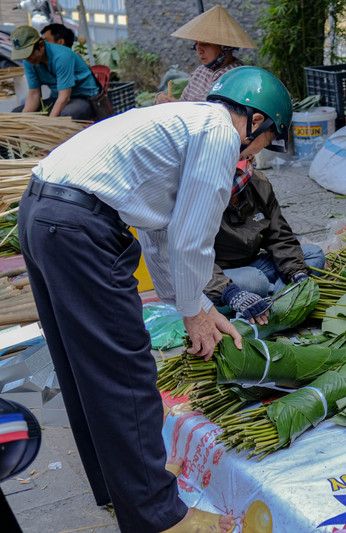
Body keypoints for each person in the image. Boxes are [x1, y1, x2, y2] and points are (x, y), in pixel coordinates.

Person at [18, 66, 292, 532]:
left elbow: (162, 236)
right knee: (126, 373)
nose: (258, 153)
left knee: (85, 368)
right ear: (257, 121)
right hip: (81, 228)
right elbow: (191, 239)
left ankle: (120, 485)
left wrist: (195, 307)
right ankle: (160, 518)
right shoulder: (220, 135)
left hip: (42, 212)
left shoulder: (184, 122)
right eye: (268, 140)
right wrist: (193, 311)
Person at [205, 160, 326, 319]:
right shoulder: (202, 197)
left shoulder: (259, 184)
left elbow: (280, 236)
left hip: (253, 264)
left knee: (313, 254)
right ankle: (274, 298)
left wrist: (296, 272)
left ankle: (277, 299)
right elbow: (191, 261)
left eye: (239, 172)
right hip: (214, 276)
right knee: (254, 281)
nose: (236, 177)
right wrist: (230, 293)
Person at [154, 5, 255, 104]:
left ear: (225, 47)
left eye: (205, 44)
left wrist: (177, 105)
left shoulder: (237, 76)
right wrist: (163, 98)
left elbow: (215, 113)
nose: (199, 50)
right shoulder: (200, 72)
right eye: (196, 44)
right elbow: (182, 102)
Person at [10, 25, 97, 119]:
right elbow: (34, 94)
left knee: (65, 116)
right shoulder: (28, 61)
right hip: (57, 98)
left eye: (29, 54)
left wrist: (50, 123)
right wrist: (24, 119)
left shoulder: (62, 56)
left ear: (41, 45)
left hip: (83, 98)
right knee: (16, 113)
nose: (27, 59)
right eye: (24, 56)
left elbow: (64, 97)